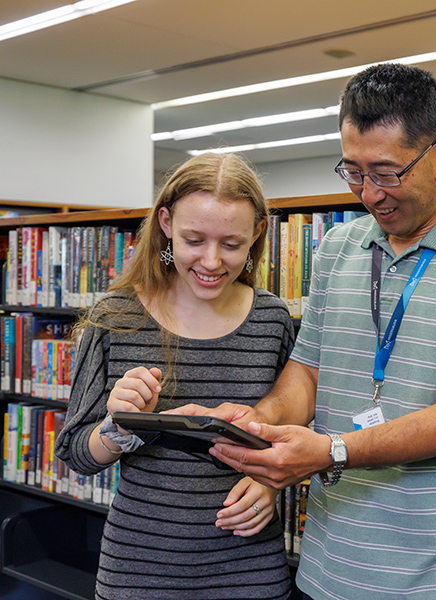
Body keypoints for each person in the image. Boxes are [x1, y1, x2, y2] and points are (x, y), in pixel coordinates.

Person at [174, 63, 436, 599]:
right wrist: (261, 422)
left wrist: (332, 451)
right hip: (327, 569)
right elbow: (308, 370)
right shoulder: (338, 247)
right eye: (353, 171)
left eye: (387, 172)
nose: (370, 194)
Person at [55, 153, 296, 600]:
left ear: (258, 233)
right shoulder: (117, 316)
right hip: (139, 568)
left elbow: (291, 430)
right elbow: (76, 454)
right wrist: (118, 425)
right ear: (165, 223)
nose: (211, 261)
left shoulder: (272, 318)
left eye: (230, 244)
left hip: (249, 568)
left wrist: (271, 483)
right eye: (193, 240)